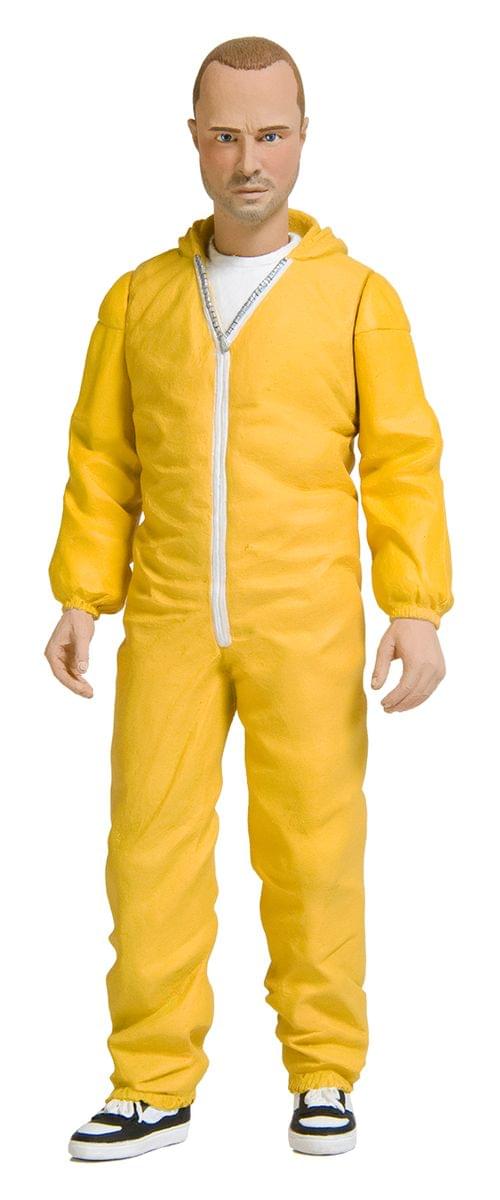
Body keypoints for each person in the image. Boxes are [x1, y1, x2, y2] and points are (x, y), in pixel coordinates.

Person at [45, 36, 454, 1160]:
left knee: (314, 847)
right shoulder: (138, 300)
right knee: (148, 848)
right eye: (225, 136)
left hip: (305, 619)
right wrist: (82, 594)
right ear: (193, 140)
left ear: (304, 136)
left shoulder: (357, 299)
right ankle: (149, 1082)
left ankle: (322, 1072)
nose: (248, 161)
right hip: (169, 617)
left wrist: (414, 605)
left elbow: (403, 459)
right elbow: (102, 461)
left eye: (270, 134)